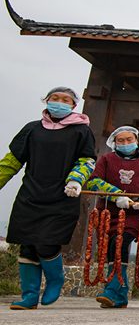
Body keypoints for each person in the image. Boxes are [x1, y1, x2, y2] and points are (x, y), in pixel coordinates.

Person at [0, 87, 95, 310]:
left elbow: (87, 160)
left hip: (62, 196)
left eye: (65, 100)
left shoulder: (81, 131)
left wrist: (76, 180)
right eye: (55, 98)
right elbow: (12, 160)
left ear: (73, 105)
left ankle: (55, 278)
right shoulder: (32, 129)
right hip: (31, 195)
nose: (59, 102)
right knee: (27, 246)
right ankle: (29, 296)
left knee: (46, 243)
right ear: (46, 101)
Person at [87, 125, 139, 308]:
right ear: (114, 143)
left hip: (134, 213)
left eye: (129, 139)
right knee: (110, 248)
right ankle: (121, 296)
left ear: (136, 140)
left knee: (120, 242)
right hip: (109, 212)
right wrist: (116, 195)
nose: (125, 143)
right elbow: (95, 181)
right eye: (120, 140)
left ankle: (111, 290)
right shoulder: (106, 159)